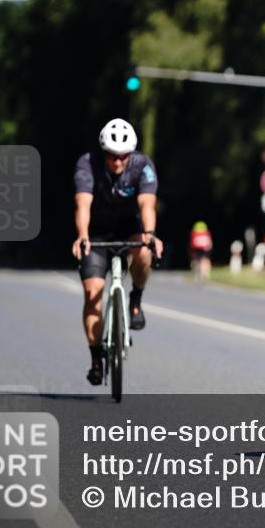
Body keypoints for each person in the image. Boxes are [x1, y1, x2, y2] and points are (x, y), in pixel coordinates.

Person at [71, 119, 163, 386]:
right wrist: (82, 235)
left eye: (124, 156)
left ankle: (136, 299)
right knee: (93, 293)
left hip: (129, 229)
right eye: (113, 156)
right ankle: (96, 358)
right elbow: (82, 204)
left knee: (143, 251)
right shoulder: (87, 164)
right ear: (104, 152)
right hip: (96, 233)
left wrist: (150, 234)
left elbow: (147, 204)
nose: (118, 161)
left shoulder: (142, 165)